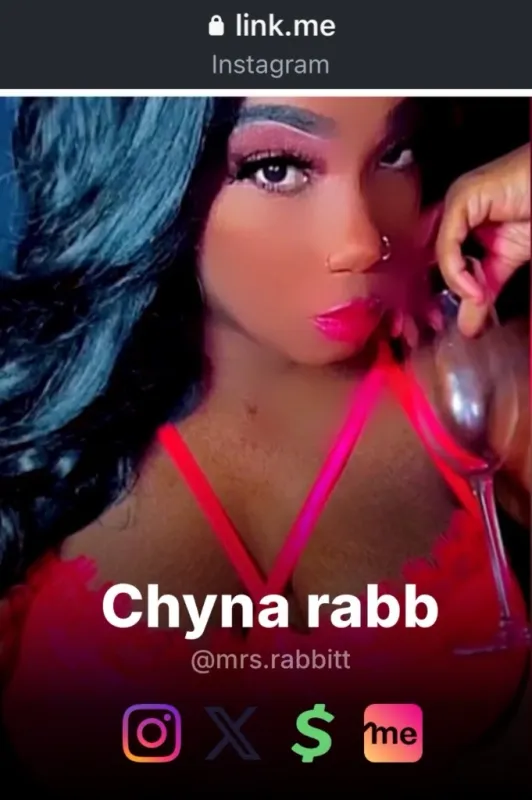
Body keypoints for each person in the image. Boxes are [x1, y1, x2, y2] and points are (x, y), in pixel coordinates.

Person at [0, 97, 529, 790]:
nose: (362, 242)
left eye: (393, 152)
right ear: (146, 164)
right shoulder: (32, 430)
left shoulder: (475, 380)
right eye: (276, 167)